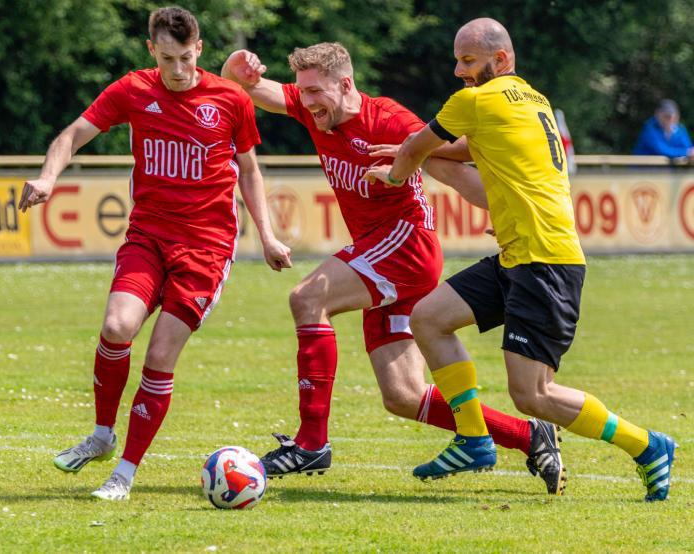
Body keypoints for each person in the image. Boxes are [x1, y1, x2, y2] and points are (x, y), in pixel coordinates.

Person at [221, 42, 567, 495]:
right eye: (302, 93)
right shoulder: (312, 109)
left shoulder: (388, 119)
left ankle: (310, 444)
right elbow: (246, 89)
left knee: (308, 298)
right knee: (403, 395)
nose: (305, 102)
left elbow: (456, 159)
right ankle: (527, 435)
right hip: (379, 253)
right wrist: (234, 66)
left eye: (315, 92)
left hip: (407, 245)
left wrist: (506, 214)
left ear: (345, 84)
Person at [368, 17, 675, 501]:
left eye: (467, 61)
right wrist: (420, 154)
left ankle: (648, 445)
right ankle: (473, 438)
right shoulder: (534, 101)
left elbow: (420, 146)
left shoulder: (474, 100)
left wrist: (396, 170)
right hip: (519, 255)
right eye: (457, 60)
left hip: (545, 262)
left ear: (501, 59)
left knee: (533, 394)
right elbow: (462, 149)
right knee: (427, 318)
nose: (457, 70)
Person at [19, 6, 292, 501]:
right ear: (152, 51)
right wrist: (48, 176)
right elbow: (73, 133)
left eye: (186, 57)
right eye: (167, 58)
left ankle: (124, 472)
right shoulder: (134, 89)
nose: (178, 69)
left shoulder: (230, 99)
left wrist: (267, 236)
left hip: (207, 246)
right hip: (148, 234)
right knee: (116, 327)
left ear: (200, 50)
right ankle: (103, 435)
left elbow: (249, 170)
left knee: (161, 355)